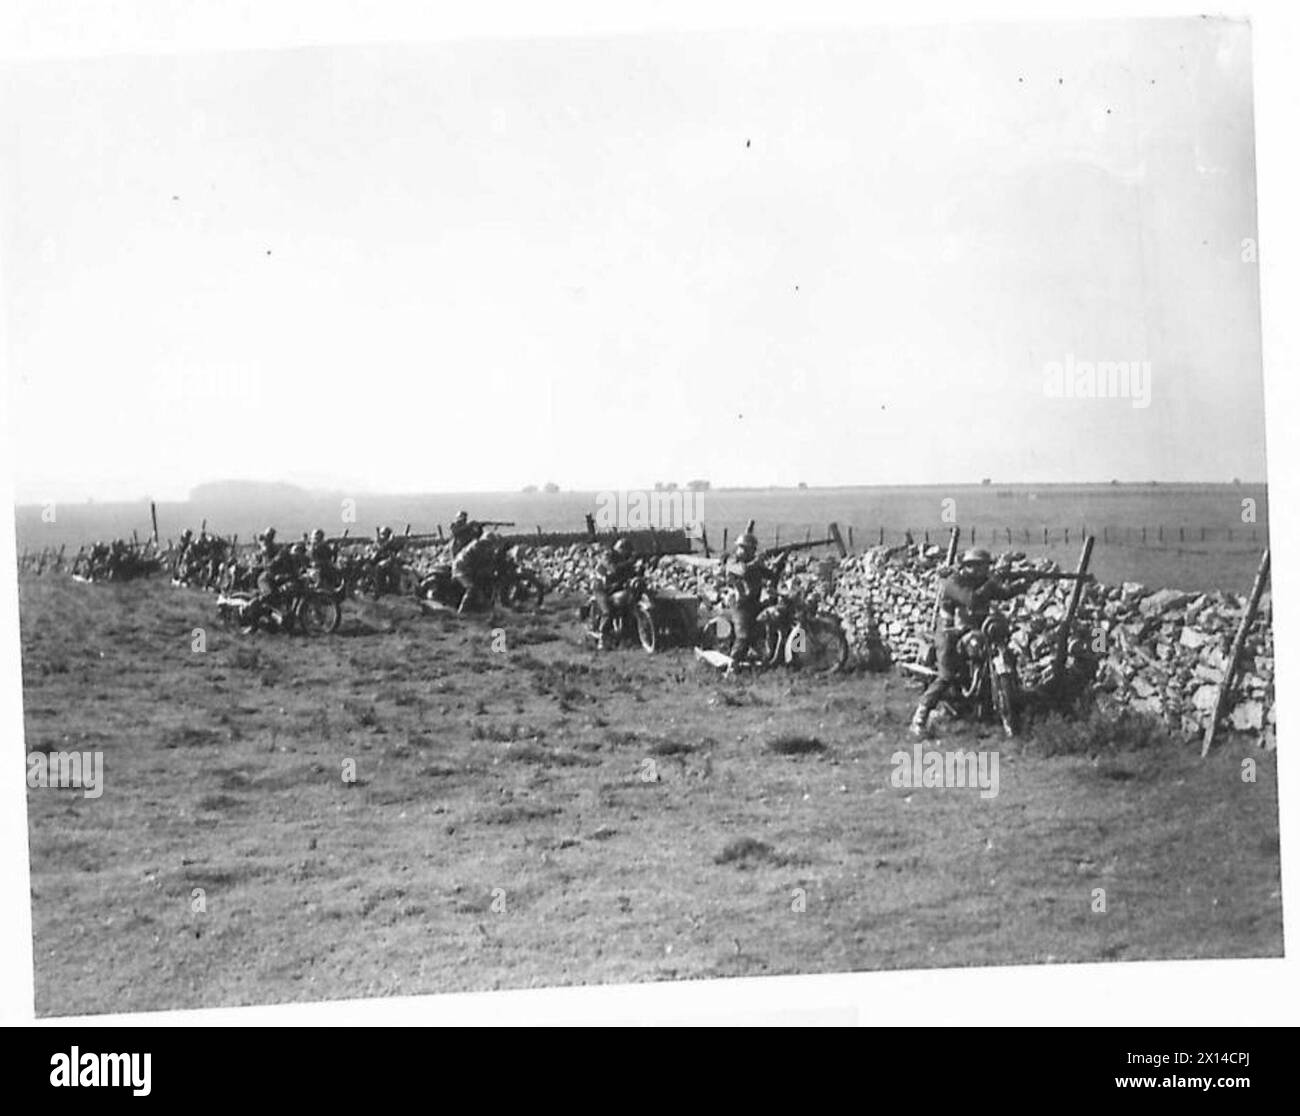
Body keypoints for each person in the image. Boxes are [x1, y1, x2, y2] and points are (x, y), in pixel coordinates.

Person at [910, 547, 1034, 736]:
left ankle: (1000, 706)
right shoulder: (953, 582)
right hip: (949, 633)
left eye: (985, 567)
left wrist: (1025, 583)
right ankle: (920, 717)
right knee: (947, 676)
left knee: (997, 655)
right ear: (968, 567)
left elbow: (1003, 593)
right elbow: (972, 600)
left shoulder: (981, 581)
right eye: (980, 566)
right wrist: (992, 582)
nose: (984, 570)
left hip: (975, 630)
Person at [720, 532, 784, 664]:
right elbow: (743, 571)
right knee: (744, 636)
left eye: (751, 549)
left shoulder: (754, 564)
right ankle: (733, 664)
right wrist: (758, 561)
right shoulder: (732, 563)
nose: (749, 552)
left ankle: (777, 653)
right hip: (740, 605)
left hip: (754, 602)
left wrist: (780, 562)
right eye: (746, 548)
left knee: (777, 618)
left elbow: (771, 576)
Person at [591, 537, 640, 648]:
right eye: (626, 551)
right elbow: (614, 569)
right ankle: (602, 638)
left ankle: (629, 634)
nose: (627, 554)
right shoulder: (608, 555)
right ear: (620, 549)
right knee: (607, 611)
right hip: (601, 587)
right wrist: (630, 563)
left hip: (615, 586)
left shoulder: (624, 558)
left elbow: (631, 572)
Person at [451, 532, 498, 614]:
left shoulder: (486, 549)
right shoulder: (476, 547)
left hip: (470, 570)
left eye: (491, 543)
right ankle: (462, 611)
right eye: (488, 542)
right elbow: (479, 562)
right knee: (472, 588)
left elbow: (489, 562)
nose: (489, 545)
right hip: (461, 569)